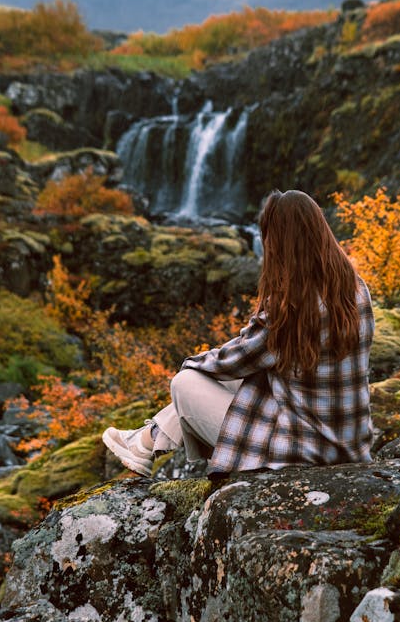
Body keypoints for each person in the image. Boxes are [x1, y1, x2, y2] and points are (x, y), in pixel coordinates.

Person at [102, 189, 375, 479]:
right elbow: (255, 357)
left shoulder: (292, 306)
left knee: (185, 383)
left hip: (303, 450)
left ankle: (146, 441)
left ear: (280, 243)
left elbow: (232, 361)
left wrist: (193, 364)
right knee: (251, 377)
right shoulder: (356, 288)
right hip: (350, 444)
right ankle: (147, 441)